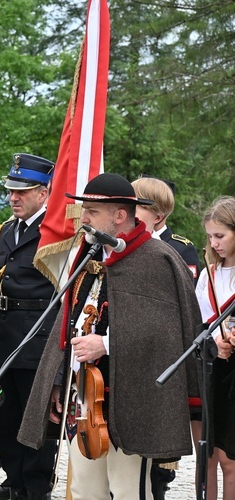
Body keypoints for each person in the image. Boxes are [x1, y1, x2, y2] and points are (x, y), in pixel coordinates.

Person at [18, 172, 200, 499]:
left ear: (119, 216)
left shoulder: (157, 260)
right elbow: (70, 322)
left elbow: (168, 334)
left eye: (92, 212)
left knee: (128, 489)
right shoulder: (89, 256)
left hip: (134, 397)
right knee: (84, 489)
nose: (83, 219)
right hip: (85, 395)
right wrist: (61, 379)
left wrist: (105, 343)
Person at [0, 153, 58, 500]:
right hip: (5, 332)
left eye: (23, 191)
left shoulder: (55, 233)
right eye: (12, 190)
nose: (14, 197)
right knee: (7, 413)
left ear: (43, 193)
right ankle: (13, 480)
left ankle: (34, 484)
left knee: (35, 418)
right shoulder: (6, 230)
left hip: (37, 335)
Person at [131, 175, 201, 499]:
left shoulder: (179, 248)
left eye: (136, 205)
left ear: (158, 215)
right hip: (130, 352)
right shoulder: (123, 242)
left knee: (158, 458)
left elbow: (183, 306)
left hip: (163, 355)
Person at [195, 195, 235, 499]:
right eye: (210, 236)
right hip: (212, 369)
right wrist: (212, 343)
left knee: (229, 459)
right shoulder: (207, 273)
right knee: (206, 454)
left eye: (220, 236)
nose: (214, 243)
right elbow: (198, 324)